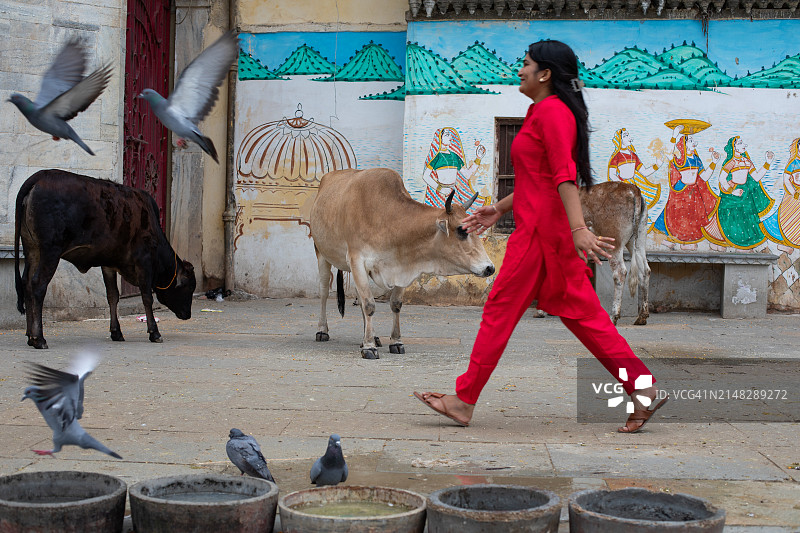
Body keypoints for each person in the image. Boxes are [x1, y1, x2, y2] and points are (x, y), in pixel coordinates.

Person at [413, 40, 667, 434]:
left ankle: (464, 401)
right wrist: (500, 208)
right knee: (585, 317)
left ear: (545, 73)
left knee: (500, 310)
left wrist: (579, 228)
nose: (520, 70)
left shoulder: (552, 112)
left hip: (541, 236)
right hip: (542, 231)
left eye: (526, 64)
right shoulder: (542, 111)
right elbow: (540, 179)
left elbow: (566, 175)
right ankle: (644, 390)